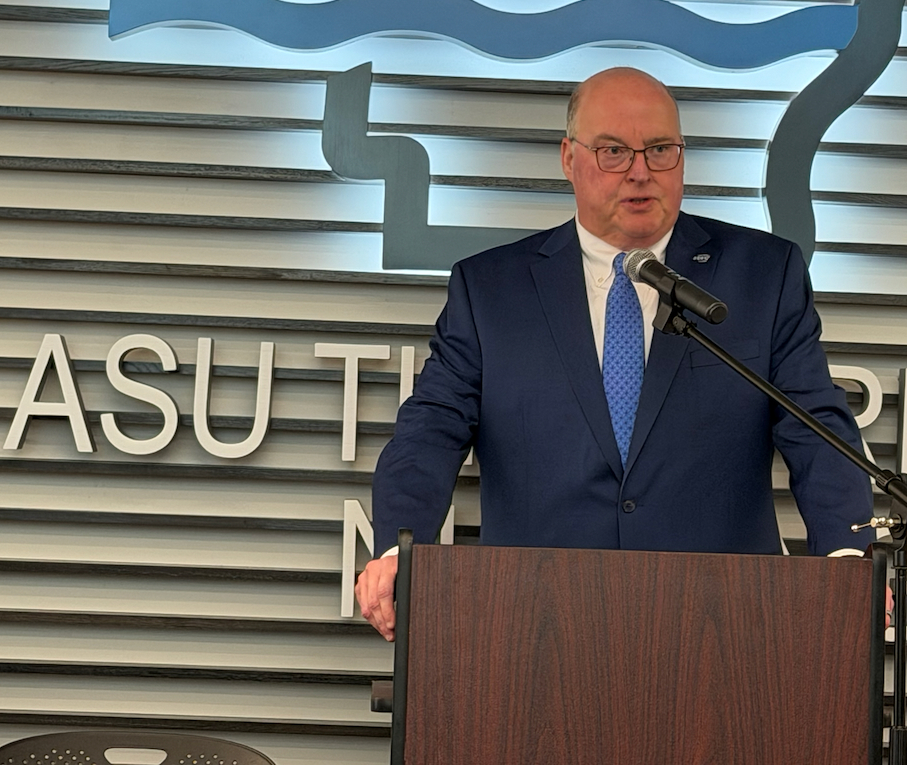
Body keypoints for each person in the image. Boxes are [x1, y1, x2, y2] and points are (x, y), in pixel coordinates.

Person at [355, 66, 874, 639]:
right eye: (613, 152)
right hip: (537, 625)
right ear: (568, 157)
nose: (640, 172)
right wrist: (402, 550)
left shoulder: (762, 275)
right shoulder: (491, 290)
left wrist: (847, 557)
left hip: (721, 627)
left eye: (660, 150)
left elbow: (816, 425)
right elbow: (431, 429)